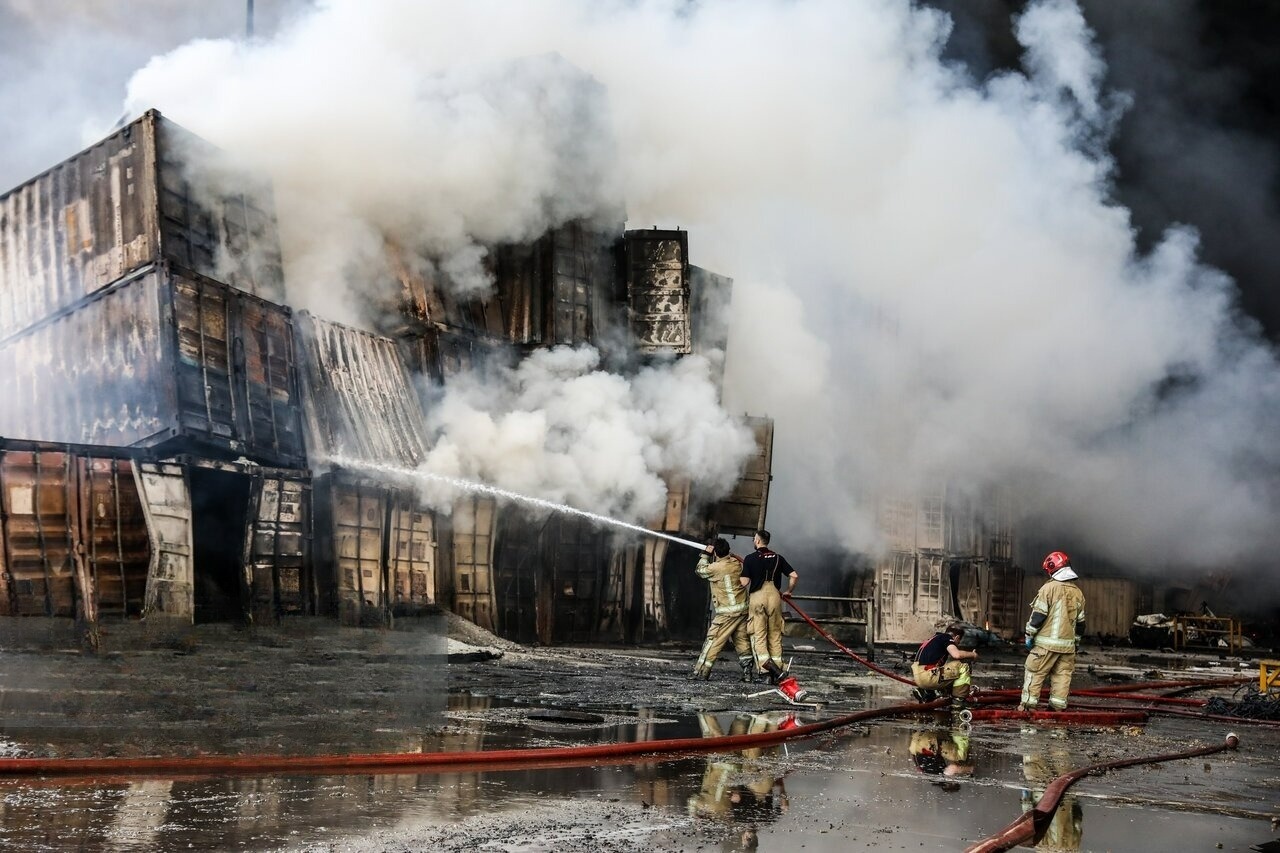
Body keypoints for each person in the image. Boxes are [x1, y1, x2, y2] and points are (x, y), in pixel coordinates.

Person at [1019, 550, 1087, 712]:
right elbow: (1081, 624)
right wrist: (1076, 644)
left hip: (1045, 646)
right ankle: (1057, 709)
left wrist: (1029, 636)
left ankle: (1028, 708)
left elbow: (1038, 617)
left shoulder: (1048, 588)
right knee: (1062, 677)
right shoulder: (1078, 593)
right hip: (1068, 648)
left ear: (1052, 568)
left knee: (1034, 673)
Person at [693, 538, 755, 682]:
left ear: (715, 552)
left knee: (713, 640)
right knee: (742, 641)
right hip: (742, 610)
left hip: (727, 613)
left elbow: (700, 571)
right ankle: (748, 673)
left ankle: (701, 672)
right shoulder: (736, 563)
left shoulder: (716, 568)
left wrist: (705, 555)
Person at [740, 529, 798, 683]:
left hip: (757, 597)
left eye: (754, 539)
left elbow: (744, 582)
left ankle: (766, 673)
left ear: (758, 541)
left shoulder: (750, 558)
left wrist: (741, 573)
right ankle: (778, 672)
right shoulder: (778, 558)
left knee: (759, 635)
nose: (754, 541)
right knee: (775, 635)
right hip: (774, 597)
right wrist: (788, 591)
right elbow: (794, 576)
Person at [911, 623, 978, 710]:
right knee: (963, 666)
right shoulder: (946, 638)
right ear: (956, 637)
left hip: (919, 676)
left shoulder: (934, 639)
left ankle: (928, 692)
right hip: (928, 675)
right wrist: (973, 655)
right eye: (958, 641)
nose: (957, 644)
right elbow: (956, 654)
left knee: (950, 673)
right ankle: (959, 701)